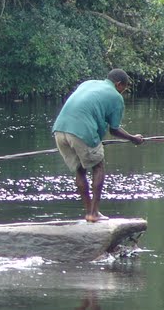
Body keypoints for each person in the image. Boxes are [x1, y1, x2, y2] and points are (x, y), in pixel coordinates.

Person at [52, 69, 144, 223]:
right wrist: (133, 138)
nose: (123, 92)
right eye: (124, 88)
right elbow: (114, 129)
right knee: (98, 166)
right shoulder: (116, 97)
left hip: (59, 129)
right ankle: (93, 213)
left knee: (80, 170)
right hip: (81, 131)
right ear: (118, 84)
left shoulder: (88, 83)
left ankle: (90, 213)